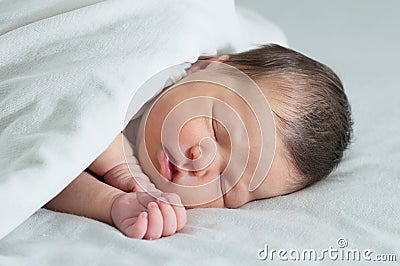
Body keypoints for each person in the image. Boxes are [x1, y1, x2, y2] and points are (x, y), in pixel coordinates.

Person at [45, 44, 353, 239]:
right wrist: (121, 169)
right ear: (207, 66)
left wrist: (112, 202)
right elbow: (67, 103)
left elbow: (45, 168)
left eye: (225, 185)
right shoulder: (148, 66)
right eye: (218, 129)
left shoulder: (150, 196)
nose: (201, 159)